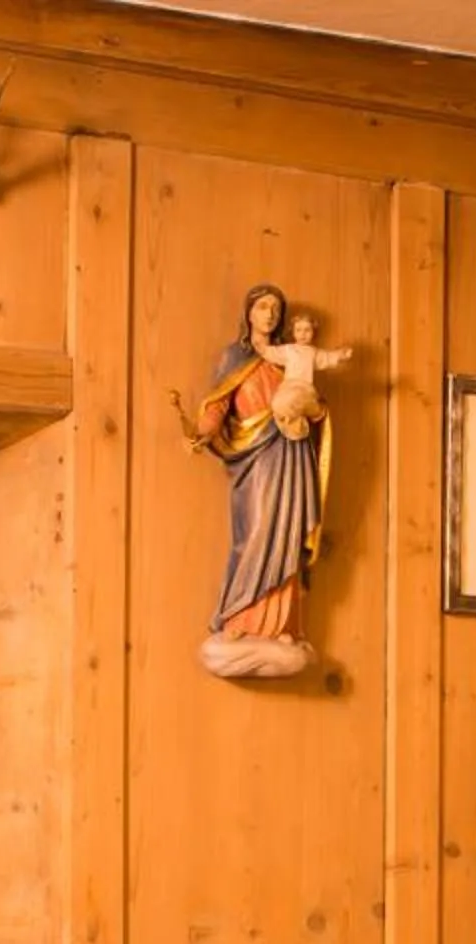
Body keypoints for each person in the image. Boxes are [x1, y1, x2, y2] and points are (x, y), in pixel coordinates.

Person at [184, 284, 328, 679]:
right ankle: (239, 619)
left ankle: (283, 627)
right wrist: (203, 430)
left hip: (293, 456)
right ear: (248, 312)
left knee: (288, 537)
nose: (269, 315)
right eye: (263, 307)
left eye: (275, 310)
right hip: (256, 460)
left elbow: (315, 409)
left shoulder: (288, 361)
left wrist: (312, 408)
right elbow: (217, 404)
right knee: (258, 533)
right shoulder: (237, 356)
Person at [255, 310, 352, 442]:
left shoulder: (313, 352)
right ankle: (293, 424)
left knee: (300, 401)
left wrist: (341, 355)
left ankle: (311, 413)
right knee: (278, 403)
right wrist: (263, 349)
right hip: (289, 387)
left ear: (313, 332)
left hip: (305, 388)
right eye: (299, 330)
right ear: (293, 332)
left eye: (307, 330)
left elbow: (327, 358)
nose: (303, 334)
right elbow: (274, 353)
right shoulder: (289, 350)